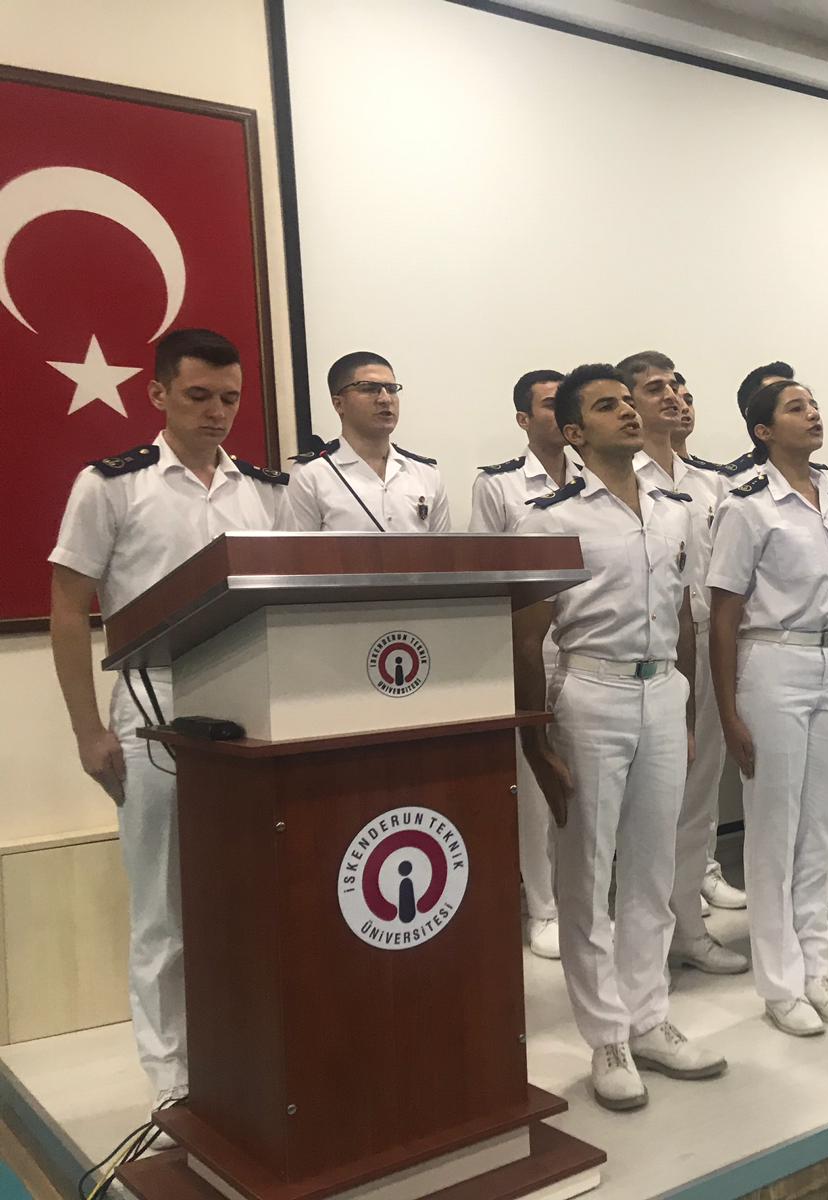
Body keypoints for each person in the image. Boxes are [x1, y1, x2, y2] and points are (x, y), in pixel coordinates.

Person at [48, 329, 288, 1111]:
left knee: (248, 888)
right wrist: (87, 729)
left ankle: (244, 1051)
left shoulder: (262, 490)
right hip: (152, 702)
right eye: (199, 396)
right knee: (161, 904)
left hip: (249, 700)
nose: (217, 412)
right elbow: (67, 607)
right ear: (157, 393)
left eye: (230, 398)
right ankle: (172, 1080)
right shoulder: (111, 485)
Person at [515, 363, 725, 1111]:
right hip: (591, 691)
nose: (630, 412)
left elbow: (686, 617)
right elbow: (525, 634)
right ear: (574, 432)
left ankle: (649, 1018)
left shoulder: (674, 510)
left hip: (662, 689)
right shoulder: (549, 519)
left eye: (628, 401)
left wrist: (688, 711)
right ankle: (605, 1035)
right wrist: (536, 741)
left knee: (651, 867)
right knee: (586, 869)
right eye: (608, 406)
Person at [708, 379, 828, 1036]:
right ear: (763, 431)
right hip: (773, 660)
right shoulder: (747, 506)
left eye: (814, 404)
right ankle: (779, 984)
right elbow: (724, 613)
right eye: (796, 408)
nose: (813, 414)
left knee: (823, 825)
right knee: (775, 826)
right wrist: (728, 713)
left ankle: (815, 967)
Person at [616, 351, 751, 978]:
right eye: (654, 388)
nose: (671, 396)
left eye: (675, 385)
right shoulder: (617, 476)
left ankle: (688, 929)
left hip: (707, 641)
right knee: (644, 807)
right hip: (646, 648)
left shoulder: (712, 482)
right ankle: (639, 941)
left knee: (699, 795)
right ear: (629, 403)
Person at [470, 368, 573, 960]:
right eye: (549, 404)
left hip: (588, 647)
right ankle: (542, 908)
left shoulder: (599, 477)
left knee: (585, 778)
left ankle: (581, 899)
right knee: (535, 783)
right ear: (523, 419)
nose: (561, 413)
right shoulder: (499, 485)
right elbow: (488, 575)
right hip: (529, 646)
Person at [285, 352, 450, 532]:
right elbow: (298, 549)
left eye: (392, 389)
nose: (385, 399)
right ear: (338, 404)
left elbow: (443, 549)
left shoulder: (426, 474)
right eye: (369, 388)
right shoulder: (311, 474)